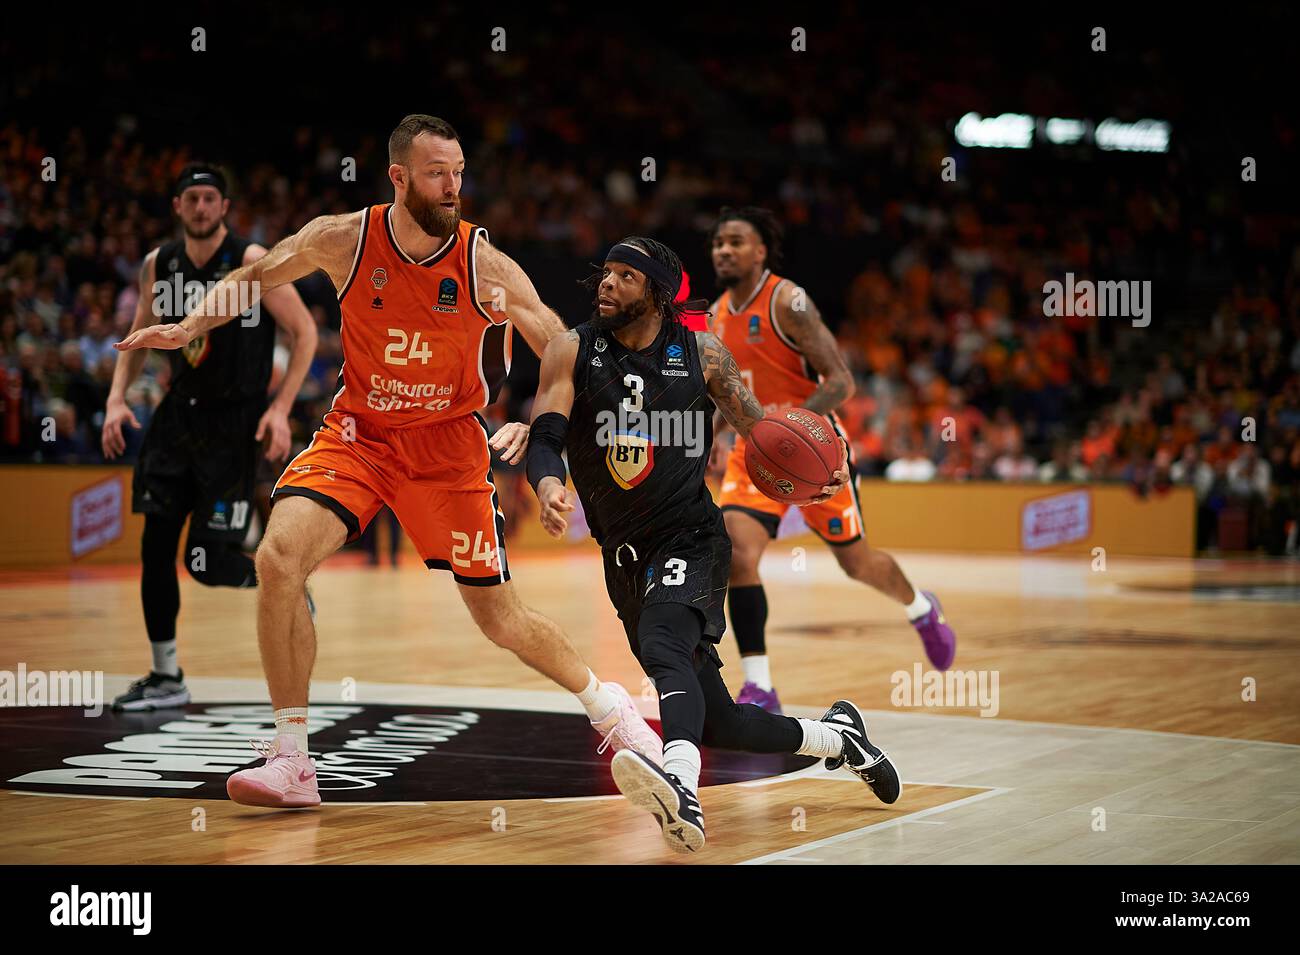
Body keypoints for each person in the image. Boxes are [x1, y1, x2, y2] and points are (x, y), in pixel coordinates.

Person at [115, 115, 659, 807]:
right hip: (361, 433)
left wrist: (547, 430)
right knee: (278, 558)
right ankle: (292, 756)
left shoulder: (480, 262)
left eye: (459, 172)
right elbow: (257, 272)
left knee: (500, 618)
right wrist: (190, 326)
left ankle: (611, 709)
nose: (453, 186)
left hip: (446, 447)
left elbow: (555, 338)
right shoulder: (343, 239)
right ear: (399, 177)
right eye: (438, 173)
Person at [526, 236, 900, 853]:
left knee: (663, 641)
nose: (607, 285)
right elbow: (548, 431)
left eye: (625, 276)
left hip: (692, 534)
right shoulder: (573, 349)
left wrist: (818, 474)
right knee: (719, 719)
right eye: (606, 273)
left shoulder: (702, 355)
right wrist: (547, 483)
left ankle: (680, 786)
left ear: (656, 293)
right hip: (623, 554)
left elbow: (764, 434)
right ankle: (840, 738)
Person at [706, 207, 956, 714]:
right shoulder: (713, 316)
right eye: (717, 243)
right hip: (753, 454)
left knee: (857, 563)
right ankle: (761, 685)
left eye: (735, 241)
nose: (724, 250)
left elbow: (841, 381)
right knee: (737, 551)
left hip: (818, 453)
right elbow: (724, 391)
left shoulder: (788, 301)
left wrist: (791, 427)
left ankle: (920, 607)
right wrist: (714, 434)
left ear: (760, 251)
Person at [104, 164, 318, 711]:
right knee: (155, 547)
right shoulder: (160, 264)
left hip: (233, 425)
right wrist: (115, 401)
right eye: (191, 198)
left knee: (204, 560)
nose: (201, 207)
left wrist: (280, 409)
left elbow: (305, 332)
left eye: (210, 198)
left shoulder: (250, 262)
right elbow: (138, 340)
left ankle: (285, 585)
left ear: (225, 207)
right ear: (177, 207)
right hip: (177, 422)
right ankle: (165, 674)